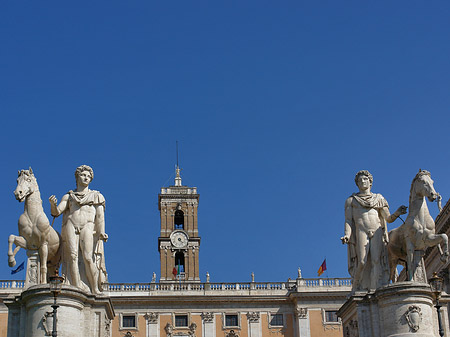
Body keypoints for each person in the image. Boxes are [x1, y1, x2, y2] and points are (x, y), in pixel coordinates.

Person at [341, 170, 407, 290]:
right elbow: (349, 221)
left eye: (365, 179)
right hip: (361, 231)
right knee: (361, 261)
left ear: (370, 182)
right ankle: (356, 286)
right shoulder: (351, 200)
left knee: (377, 261)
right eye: (360, 180)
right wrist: (347, 234)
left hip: (376, 230)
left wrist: (397, 213)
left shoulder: (379, 198)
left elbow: (388, 218)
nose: (362, 181)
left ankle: (375, 288)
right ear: (357, 183)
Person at [49, 165, 108, 294]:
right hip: (71, 223)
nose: (86, 178)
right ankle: (76, 287)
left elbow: (100, 216)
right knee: (72, 256)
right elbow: (57, 212)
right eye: (83, 175)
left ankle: (95, 288)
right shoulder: (69, 196)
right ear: (77, 177)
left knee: (88, 257)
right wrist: (53, 205)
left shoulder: (97, 196)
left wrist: (101, 231)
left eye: (88, 176)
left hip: (88, 225)